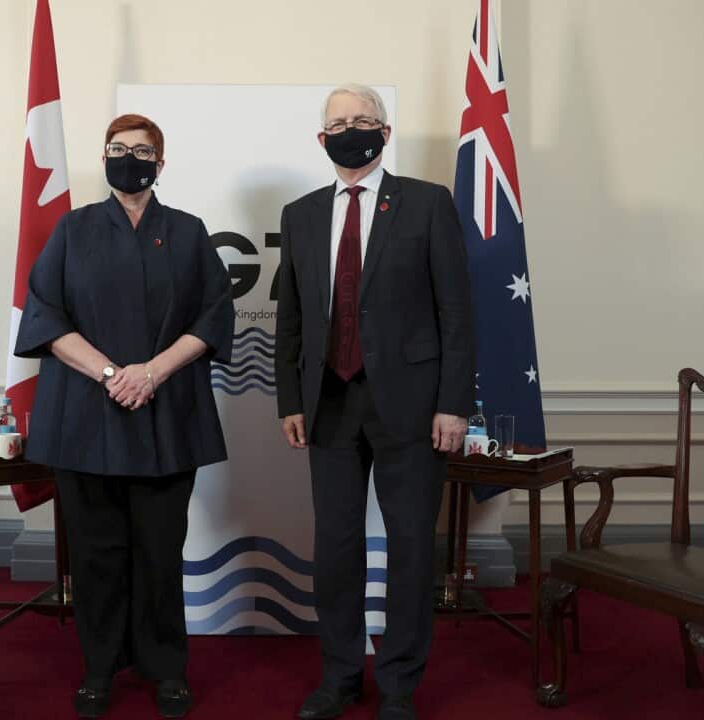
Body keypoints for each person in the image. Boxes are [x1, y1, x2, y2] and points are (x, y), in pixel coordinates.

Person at [14, 113, 234, 719]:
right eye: (117, 148)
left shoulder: (189, 233)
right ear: (103, 157)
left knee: (161, 551)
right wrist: (113, 374)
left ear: (160, 165)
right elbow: (45, 319)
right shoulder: (72, 230)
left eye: (141, 151)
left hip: (167, 412)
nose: (128, 158)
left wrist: (151, 372)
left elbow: (214, 318)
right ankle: (99, 667)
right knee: (95, 552)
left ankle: (166, 669)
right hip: (87, 414)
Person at [274, 85, 475, 720]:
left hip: (414, 407)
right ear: (321, 137)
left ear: (385, 133)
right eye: (339, 122)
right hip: (328, 402)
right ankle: (340, 675)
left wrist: (452, 404)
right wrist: (290, 400)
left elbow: (456, 313)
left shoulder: (426, 203)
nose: (350, 129)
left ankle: (399, 685)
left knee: (413, 544)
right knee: (334, 547)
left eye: (363, 120)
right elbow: (293, 320)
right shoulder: (301, 214)